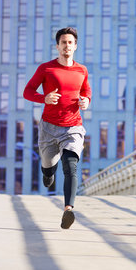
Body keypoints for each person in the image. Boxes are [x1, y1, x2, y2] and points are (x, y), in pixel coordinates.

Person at [23, 27, 91, 229]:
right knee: (48, 165)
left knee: (71, 167)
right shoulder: (46, 69)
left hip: (73, 127)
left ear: (75, 46)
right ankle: (47, 173)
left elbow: (86, 90)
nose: (67, 46)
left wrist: (86, 101)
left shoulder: (82, 70)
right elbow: (27, 91)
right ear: (57, 46)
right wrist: (43, 98)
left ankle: (68, 209)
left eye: (70, 42)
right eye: (63, 42)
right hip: (49, 128)